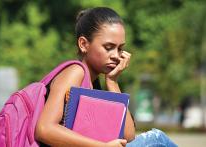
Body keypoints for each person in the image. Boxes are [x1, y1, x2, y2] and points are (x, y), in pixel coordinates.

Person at [35, 7, 177, 147]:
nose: (116, 55)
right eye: (109, 47)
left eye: (120, 48)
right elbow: (44, 129)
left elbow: (129, 137)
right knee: (157, 139)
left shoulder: (94, 82)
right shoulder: (75, 72)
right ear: (83, 44)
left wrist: (112, 81)